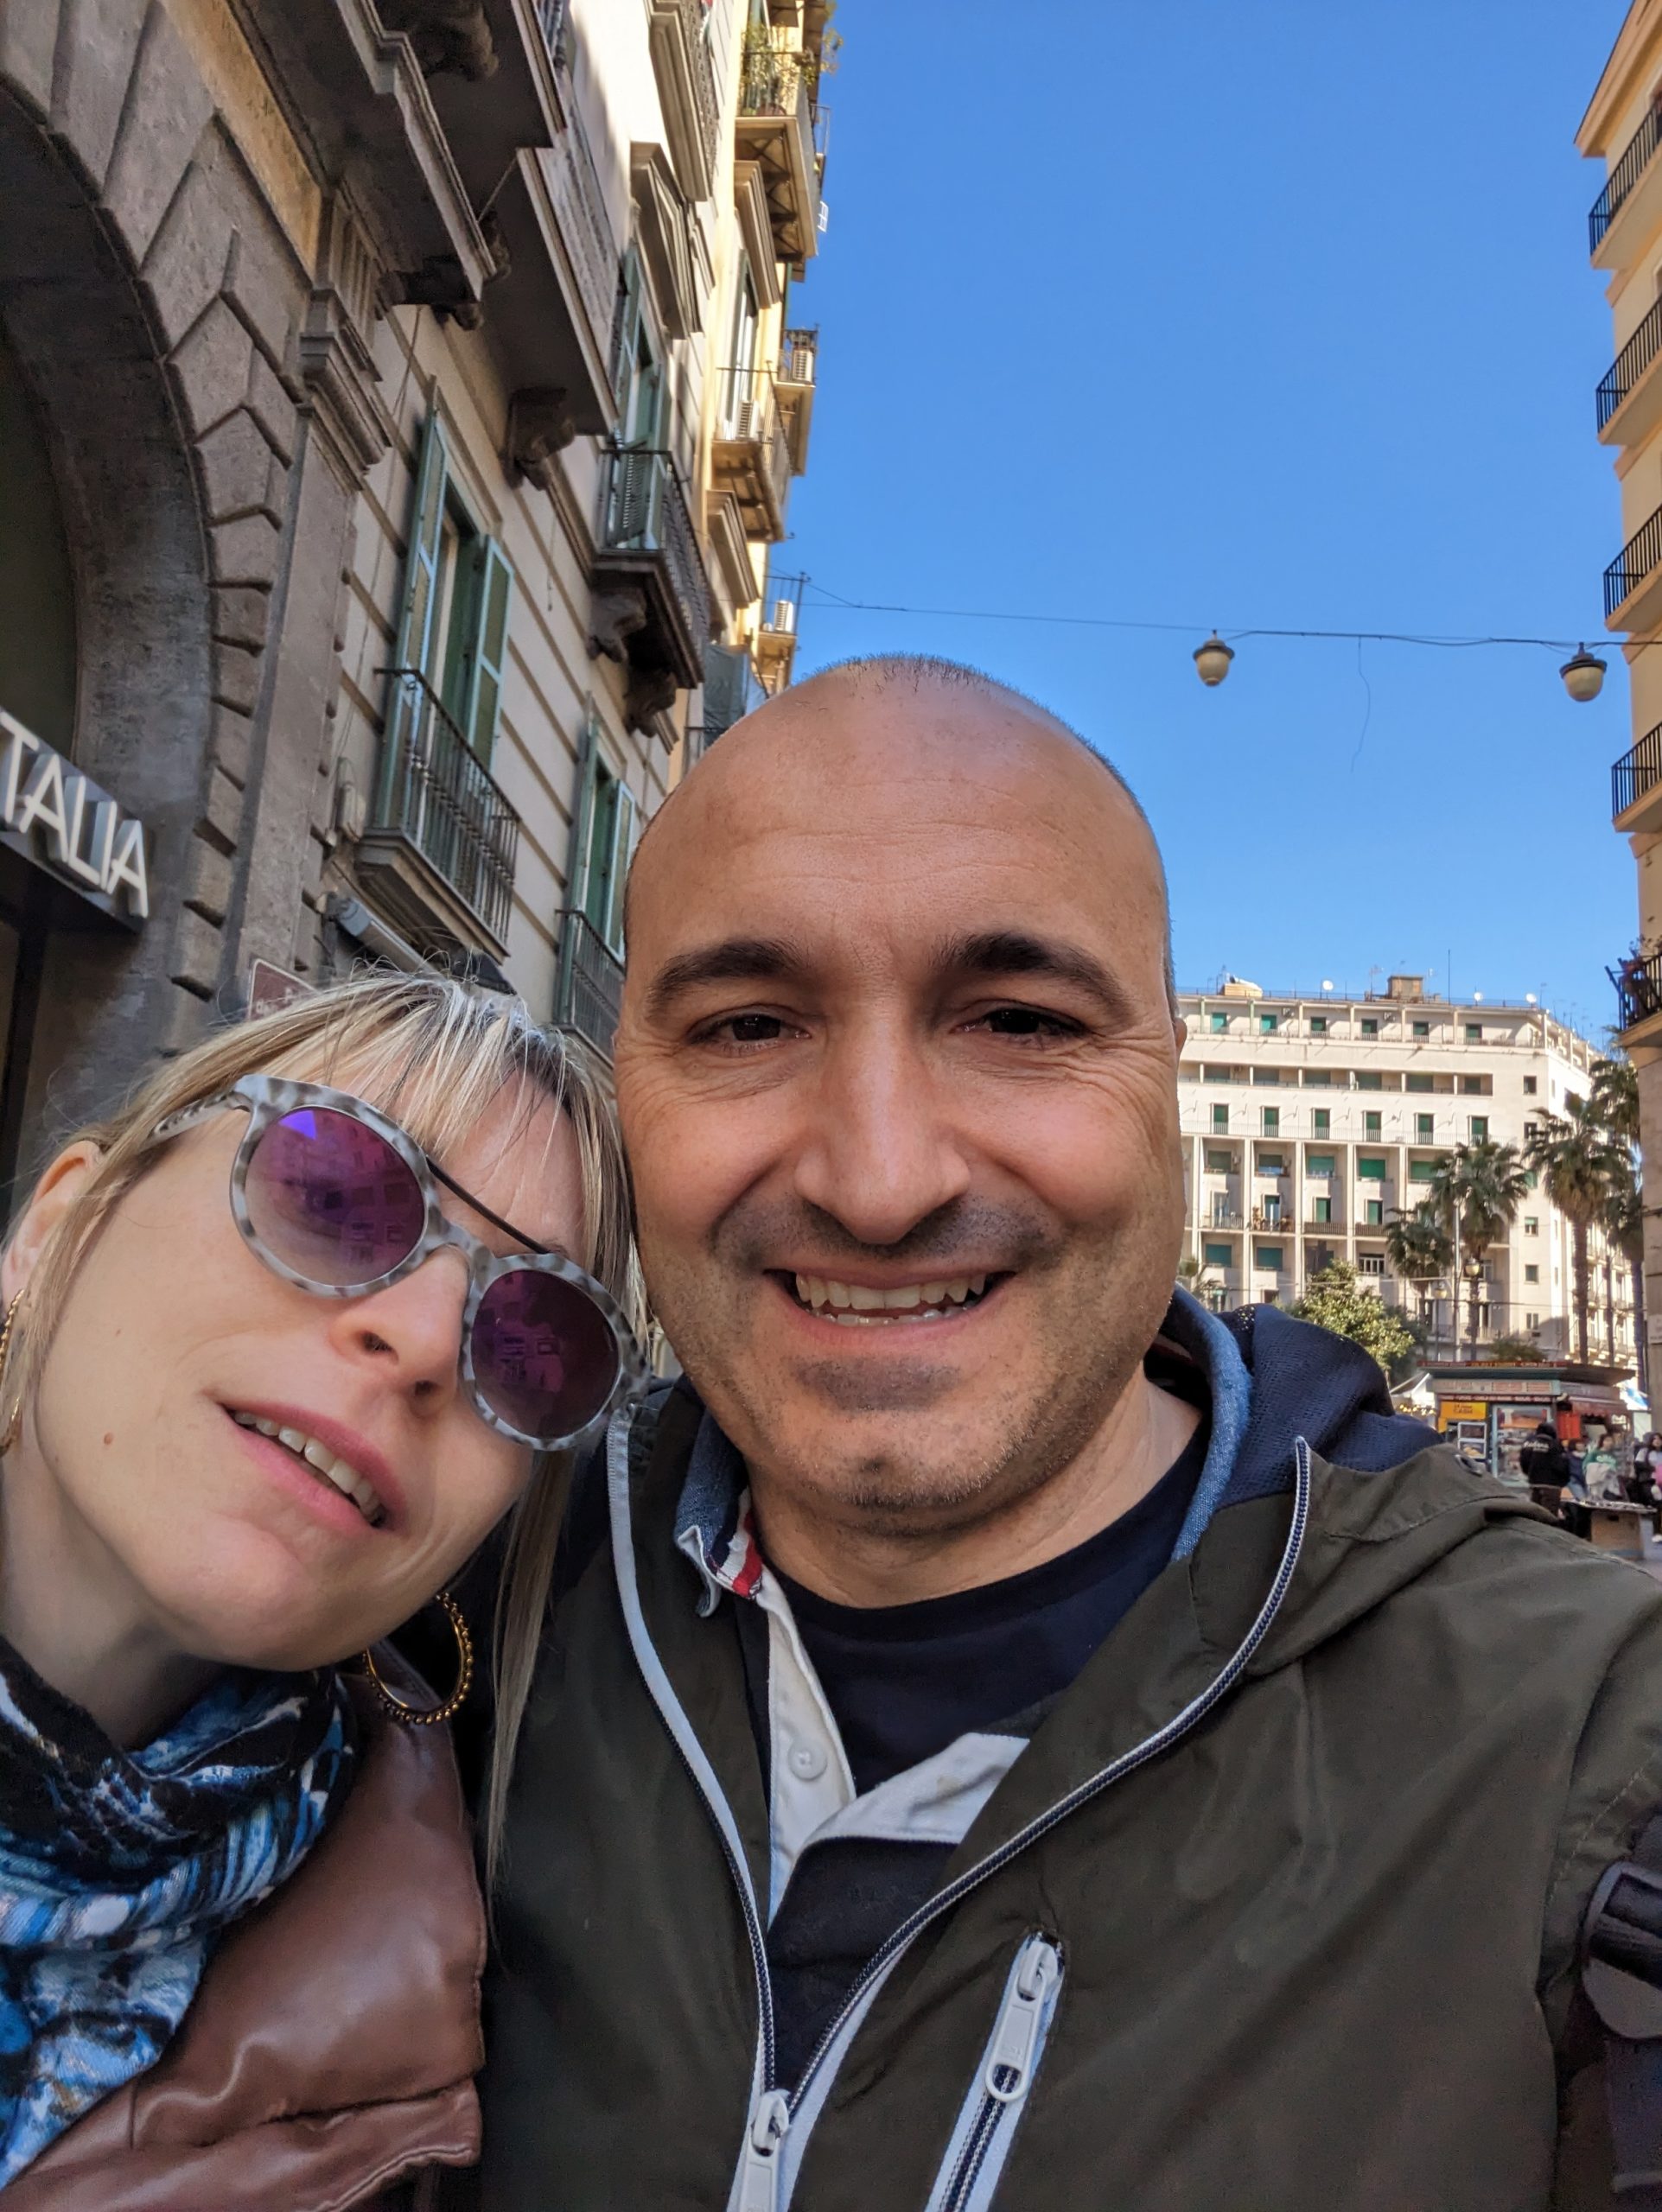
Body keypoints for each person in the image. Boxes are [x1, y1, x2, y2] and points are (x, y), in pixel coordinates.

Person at [480, 657, 1662, 2209]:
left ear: (1170, 1079)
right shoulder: (456, 1630)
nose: (880, 1182)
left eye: (1021, 1022)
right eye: (750, 1024)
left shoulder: (1592, 1747)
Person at [0, 973, 639, 2206]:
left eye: (532, 1344)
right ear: (60, 1224)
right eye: (334, 1189)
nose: (422, 1340)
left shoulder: (429, 2095)